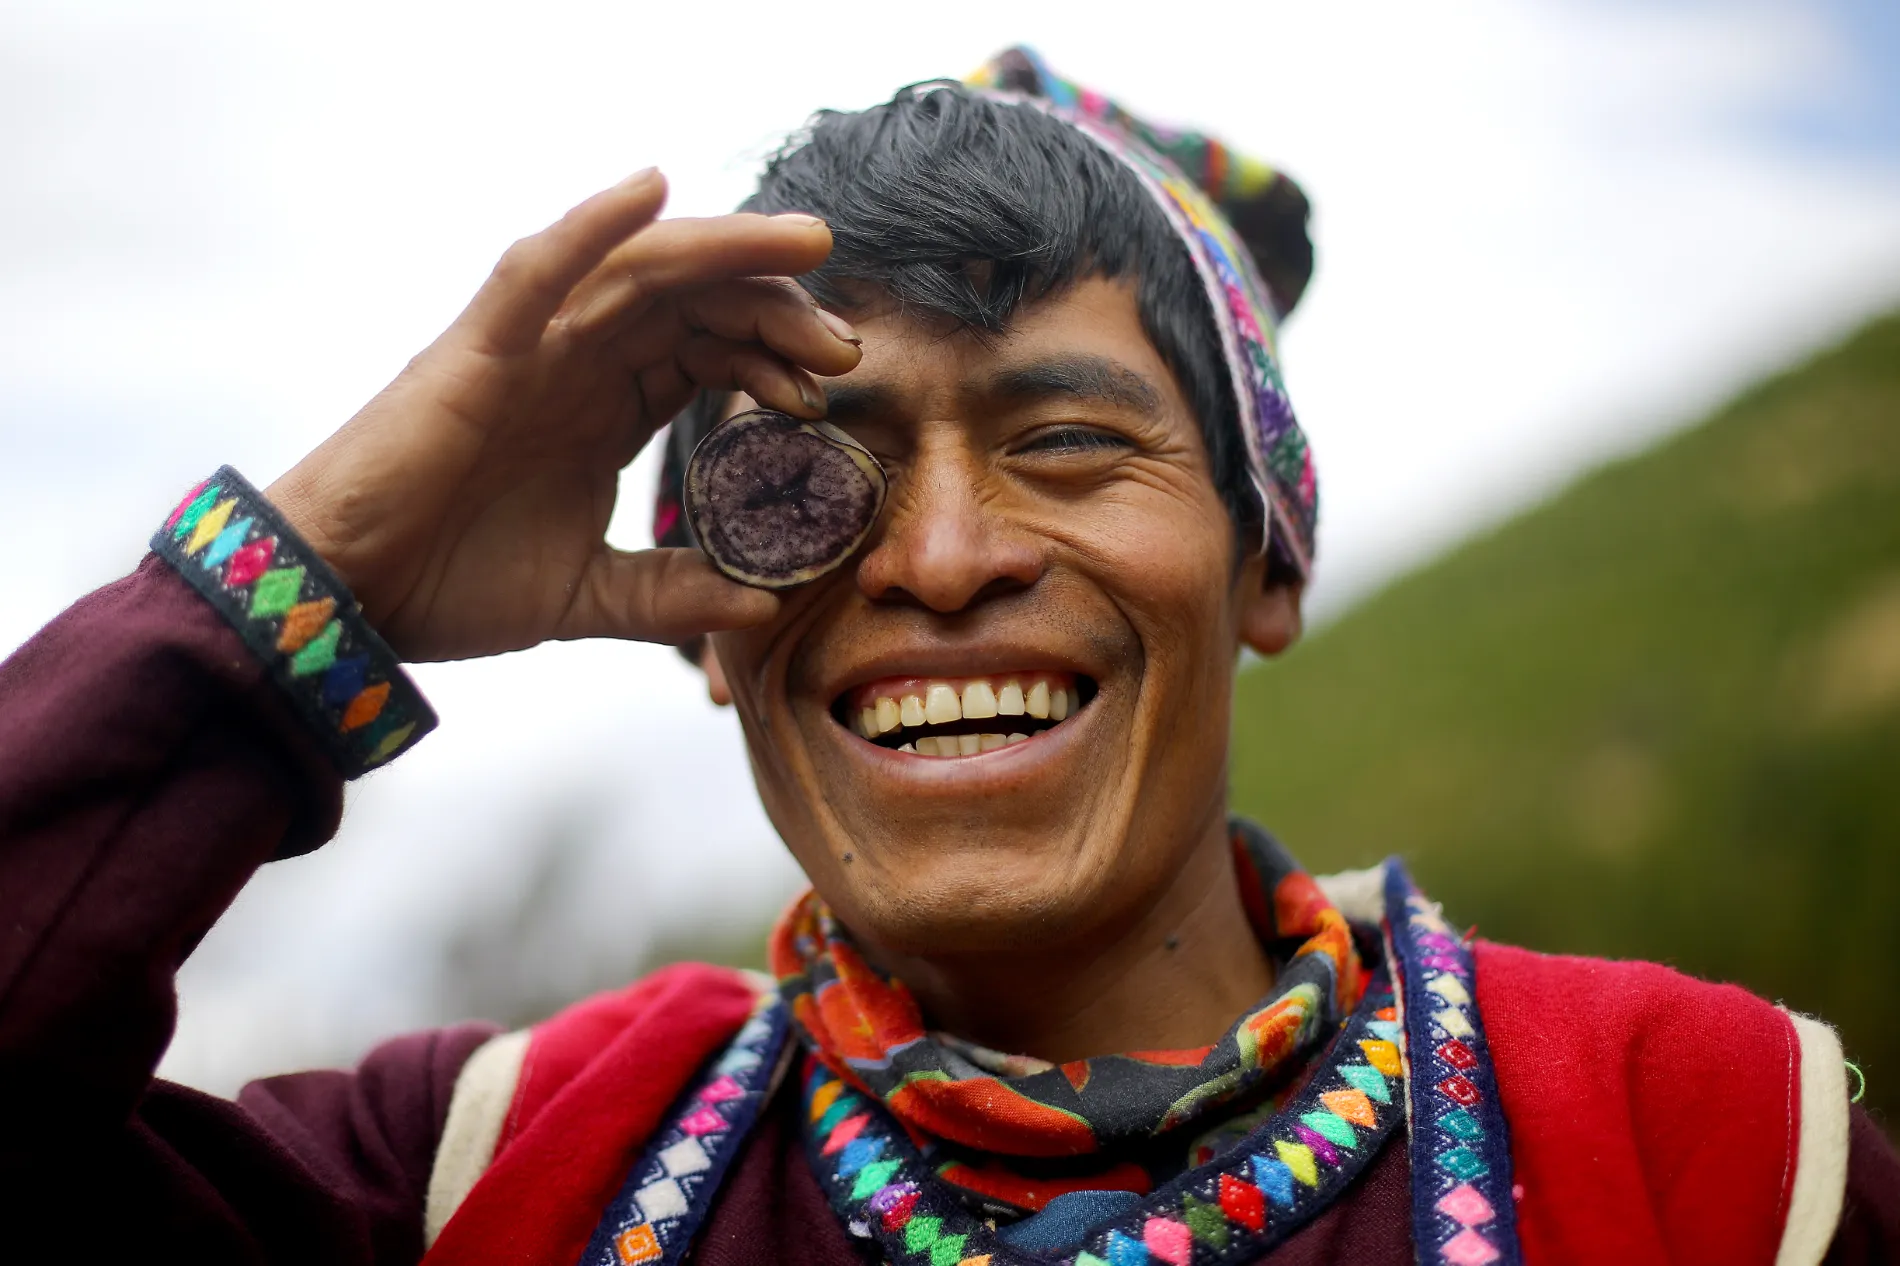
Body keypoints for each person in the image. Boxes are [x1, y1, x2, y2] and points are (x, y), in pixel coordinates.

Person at [0, 47, 1893, 1266]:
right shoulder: (474, 1175)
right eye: (802, 480)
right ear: (707, 621)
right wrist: (302, 593)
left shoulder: (1715, 1151)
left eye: (1069, 445)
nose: (948, 558)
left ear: (1265, 558)